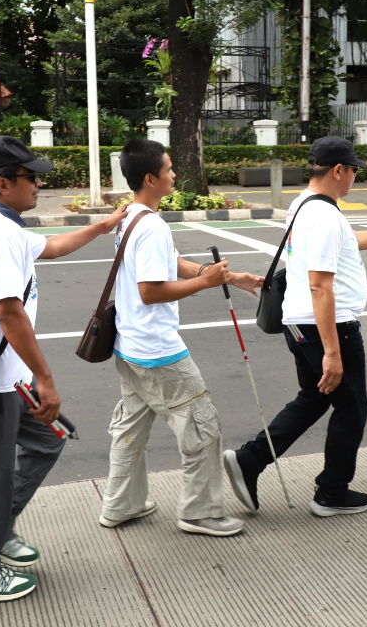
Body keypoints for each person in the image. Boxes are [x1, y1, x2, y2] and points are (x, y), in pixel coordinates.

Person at [0, 136, 128, 605]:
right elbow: (9, 311)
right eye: (31, 177)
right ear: (3, 183)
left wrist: (103, 223)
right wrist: (44, 377)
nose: (39, 183)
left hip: (2, 370)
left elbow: (50, 246)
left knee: (46, 440)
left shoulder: (4, 223)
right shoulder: (2, 233)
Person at [224, 137, 367, 518]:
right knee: (352, 409)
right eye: (354, 170)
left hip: (300, 322)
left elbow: (352, 243)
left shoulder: (306, 205)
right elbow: (321, 285)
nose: (355, 177)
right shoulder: (323, 216)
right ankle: (332, 492)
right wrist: (333, 353)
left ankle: (249, 461)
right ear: (339, 170)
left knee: (315, 398)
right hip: (327, 325)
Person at [98, 139, 261, 538]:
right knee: (202, 427)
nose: (175, 174)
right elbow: (150, 290)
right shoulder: (150, 224)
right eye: (169, 169)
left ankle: (121, 504)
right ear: (151, 179)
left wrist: (223, 275)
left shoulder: (131, 216)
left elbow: (167, 263)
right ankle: (201, 512)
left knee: (131, 426)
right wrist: (204, 284)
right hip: (157, 350)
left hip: (129, 345)